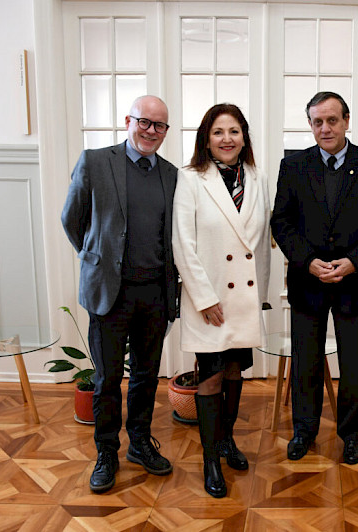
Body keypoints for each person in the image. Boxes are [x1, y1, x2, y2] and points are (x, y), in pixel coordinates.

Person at [61, 95, 178, 493]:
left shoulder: (172, 174)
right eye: (145, 121)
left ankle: (140, 443)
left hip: (156, 294)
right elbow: (71, 218)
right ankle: (106, 452)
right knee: (108, 378)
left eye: (159, 125)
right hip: (110, 294)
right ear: (128, 120)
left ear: (165, 131)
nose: (151, 131)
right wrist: (97, 257)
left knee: (146, 377)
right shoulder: (95, 161)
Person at [271, 91, 358, 465]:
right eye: (317, 122)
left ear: (346, 120)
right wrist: (307, 261)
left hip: (355, 281)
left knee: (355, 364)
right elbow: (282, 222)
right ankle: (303, 431)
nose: (325, 128)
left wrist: (353, 262)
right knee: (305, 361)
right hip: (308, 281)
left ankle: (352, 434)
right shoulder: (292, 166)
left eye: (332, 120)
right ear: (310, 124)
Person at [172, 103, 270, 498]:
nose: (227, 139)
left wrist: (260, 294)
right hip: (209, 301)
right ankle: (210, 460)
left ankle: (228, 441)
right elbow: (183, 242)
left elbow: (261, 244)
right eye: (218, 132)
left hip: (243, 298)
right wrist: (203, 298)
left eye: (234, 131)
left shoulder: (258, 178)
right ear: (206, 139)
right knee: (210, 379)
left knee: (234, 373)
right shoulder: (191, 178)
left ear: (244, 136)